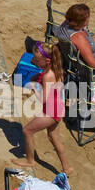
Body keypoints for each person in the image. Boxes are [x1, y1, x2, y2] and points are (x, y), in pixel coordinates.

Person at [21, 41, 70, 174]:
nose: (33, 62)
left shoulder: (48, 76)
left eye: (37, 60)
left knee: (27, 131)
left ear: (47, 60)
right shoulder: (54, 69)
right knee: (53, 138)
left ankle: (30, 160)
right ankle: (67, 168)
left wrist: (34, 88)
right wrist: (37, 77)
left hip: (51, 111)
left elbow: (43, 99)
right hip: (56, 107)